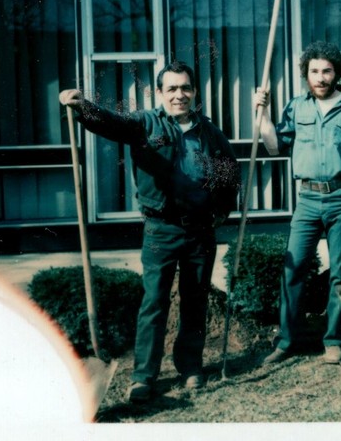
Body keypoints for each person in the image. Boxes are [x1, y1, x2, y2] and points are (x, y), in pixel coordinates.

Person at [59, 60, 240, 402]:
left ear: (194, 92)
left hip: (200, 232)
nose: (179, 94)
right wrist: (82, 106)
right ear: (159, 93)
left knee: (195, 301)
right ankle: (143, 377)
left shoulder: (209, 132)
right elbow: (111, 124)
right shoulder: (144, 124)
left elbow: (229, 170)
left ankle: (190, 368)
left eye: (185, 87)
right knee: (154, 303)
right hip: (161, 230)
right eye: (171, 88)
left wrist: (223, 209)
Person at [253, 40, 341, 365]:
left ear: (337, 73)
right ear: (306, 74)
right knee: (293, 270)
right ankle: (286, 340)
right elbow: (275, 146)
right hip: (306, 199)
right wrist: (262, 115)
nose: (320, 78)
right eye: (314, 71)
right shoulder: (296, 107)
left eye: (326, 71)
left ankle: (334, 341)